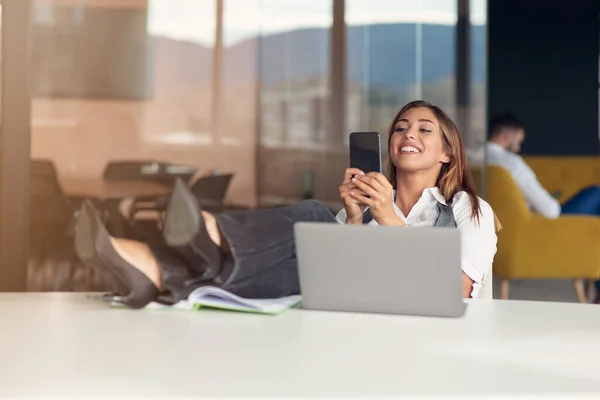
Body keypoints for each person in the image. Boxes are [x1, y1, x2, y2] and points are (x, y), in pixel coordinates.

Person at [75, 100, 499, 309]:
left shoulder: (468, 209)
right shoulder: (369, 205)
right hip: (352, 317)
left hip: (428, 332)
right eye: (402, 128)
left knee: (314, 219)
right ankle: (160, 266)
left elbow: (456, 290)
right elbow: (322, 271)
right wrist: (354, 219)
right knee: (317, 222)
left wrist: (388, 218)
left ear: (447, 153)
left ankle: (172, 257)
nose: (409, 134)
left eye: (426, 130)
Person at [470, 112, 600, 219]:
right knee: (595, 192)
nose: (517, 148)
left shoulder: (472, 159)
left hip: (499, 220)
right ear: (505, 137)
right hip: (541, 224)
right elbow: (551, 211)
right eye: (517, 142)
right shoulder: (511, 163)